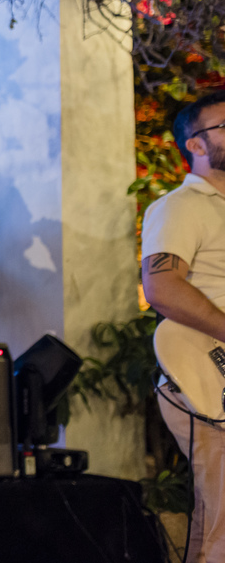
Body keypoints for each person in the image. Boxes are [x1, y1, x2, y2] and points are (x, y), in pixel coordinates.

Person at [141, 90, 225, 563]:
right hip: (208, 378)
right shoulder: (181, 206)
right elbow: (162, 288)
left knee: (215, 525)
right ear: (194, 144)